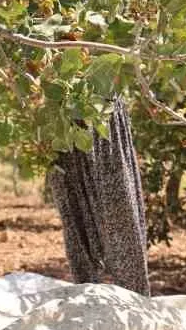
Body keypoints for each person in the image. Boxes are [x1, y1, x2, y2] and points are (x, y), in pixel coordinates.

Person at [46, 97, 152, 295]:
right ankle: (87, 296)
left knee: (120, 213)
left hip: (102, 112)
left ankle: (135, 298)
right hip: (61, 118)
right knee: (74, 217)